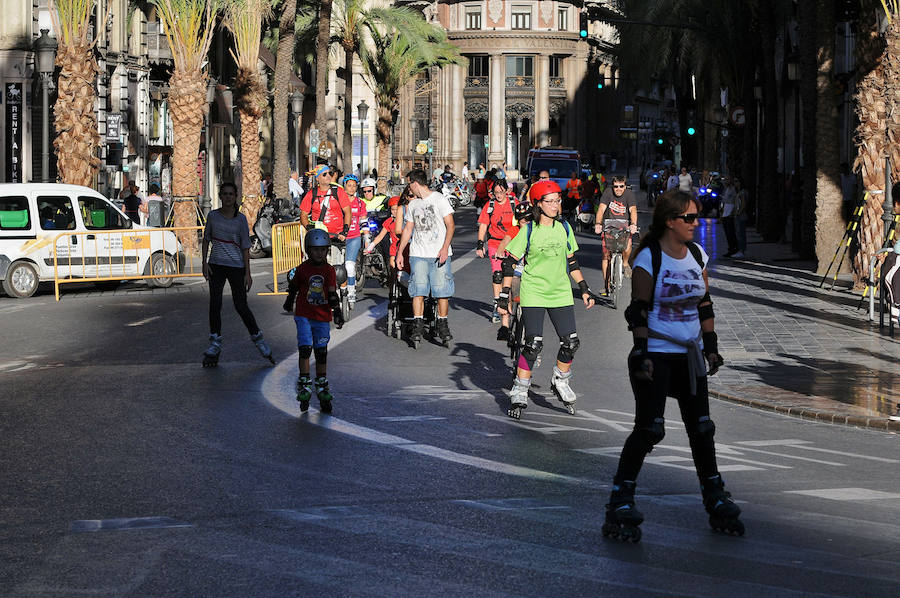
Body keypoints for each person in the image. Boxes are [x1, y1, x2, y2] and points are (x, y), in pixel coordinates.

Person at [604, 189, 741, 542]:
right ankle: (621, 498)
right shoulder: (649, 258)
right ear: (670, 221)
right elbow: (638, 310)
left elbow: (704, 303)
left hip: (690, 354)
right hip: (657, 352)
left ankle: (715, 496)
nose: (696, 224)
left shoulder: (696, 254)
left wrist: (711, 347)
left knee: (702, 428)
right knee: (650, 429)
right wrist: (642, 353)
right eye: (690, 219)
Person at [497, 179, 596, 419]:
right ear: (538, 204)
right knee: (533, 345)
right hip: (534, 292)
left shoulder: (564, 228)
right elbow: (509, 263)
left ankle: (560, 380)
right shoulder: (529, 230)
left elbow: (571, 261)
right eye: (550, 201)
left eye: (558, 200)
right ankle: (520, 388)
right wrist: (503, 295)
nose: (555, 205)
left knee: (571, 342)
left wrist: (583, 287)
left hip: (560, 292)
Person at [201, 182, 273, 368]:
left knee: (241, 306)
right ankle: (215, 342)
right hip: (216, 265)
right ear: (220, 196)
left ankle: (259, 339)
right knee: (215, 304)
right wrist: (203, 263)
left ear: (235, 197)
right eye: (224, 194)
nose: (227, 197)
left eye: (231, 194)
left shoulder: (241, 220)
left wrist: (248, 273)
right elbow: (206, 240)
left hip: (236, 266)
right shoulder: (213, 216)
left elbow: (245, 247)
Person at [282, 228, 344, 414]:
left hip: (322, 316)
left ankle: (322, 381)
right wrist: (288, 301)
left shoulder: (329, 270)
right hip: (303, 315)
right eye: (315, 249)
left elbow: (332, 292)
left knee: (321, 351)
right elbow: (293, 287)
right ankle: (304, 381)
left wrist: (338, 310)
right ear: (308, 250)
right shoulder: (302, 269)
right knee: (305, 348)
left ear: (327, 250)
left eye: (323, 249)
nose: (319, 253)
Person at [396, 169, 455, 345]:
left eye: (409, 184)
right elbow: (407, 229)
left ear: (414, 183)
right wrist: (400, 252)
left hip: (438, 254)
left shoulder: (439, 199)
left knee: (442, 291)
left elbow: (450, 226)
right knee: (418, 290)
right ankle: (418, 323)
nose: (409, 188)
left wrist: (445, 248)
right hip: (418, 254)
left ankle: (442, 324)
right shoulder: (413, 205)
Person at [477, 178, 520, 339]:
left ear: (507, 191)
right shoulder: (490, 205)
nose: (499, 195)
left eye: (501, 192)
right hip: (495, 243)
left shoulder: (514, 203)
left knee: (513, 276)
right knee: (498, 275)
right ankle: (497, 304)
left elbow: (523, 221)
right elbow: (483, 225)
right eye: (496, 193)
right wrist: (480, 244)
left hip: (513, 243)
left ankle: (512, 302)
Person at [594, 175, 639, 292]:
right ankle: (606, 284)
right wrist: (598, 223)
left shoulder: (629, 194)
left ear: (625, 186)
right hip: (609, 226)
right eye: (615, 186)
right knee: (606, 255)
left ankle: (624, 263)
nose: (618, 189)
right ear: (612, 186)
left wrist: (633, 224)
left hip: (624, 226)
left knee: (628, 246)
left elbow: (633, 210)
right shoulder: (608, 193)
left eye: (621, 186)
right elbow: (601, 209)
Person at [299, 164, 351, 240]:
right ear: (317, 178)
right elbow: (303, 215)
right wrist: (309, 229)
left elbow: (348, 212)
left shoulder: (339, 191)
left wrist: (345, 232)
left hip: (337, 236)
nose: (328, 176)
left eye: (330, 173)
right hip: (318, 237)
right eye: (324, 174)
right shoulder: (311, 194)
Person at [342, 174, 367, 308]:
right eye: (349, 185)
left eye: (354, 186)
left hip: (354, 237)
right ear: (344, 186)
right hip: (338, 238)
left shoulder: (360, 203)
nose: (351, 188)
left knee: (350, 266)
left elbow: (364, 221)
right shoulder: (338, 201)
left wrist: (367, 239)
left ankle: (351, 291)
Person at [720, 176, 739, 257]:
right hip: (725, 212)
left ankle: (734, 248)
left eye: (727, 179)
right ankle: (731, 248)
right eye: (725, 180)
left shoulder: (733, 189)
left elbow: (735, 201)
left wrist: (733, 212)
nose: (725, 181)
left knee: (731, 232)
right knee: (727, 233)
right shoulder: (726, 189)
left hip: (729, 212)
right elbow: (724, 202)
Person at [733, 178, 748, 258]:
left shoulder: (742, 193)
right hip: (739, 215)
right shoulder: (739, 192)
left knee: (740, 234)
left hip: (741, 216)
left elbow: (743, 204)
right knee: (739, 233)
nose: (735, 183)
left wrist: (738, 213)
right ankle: (741, 250)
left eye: (736, 181)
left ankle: (741, 250)